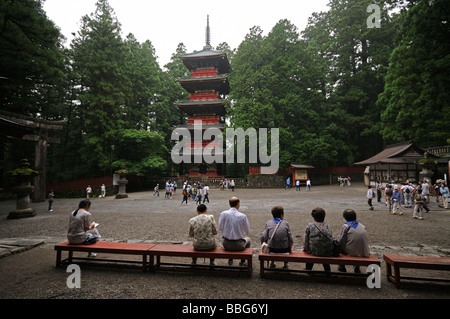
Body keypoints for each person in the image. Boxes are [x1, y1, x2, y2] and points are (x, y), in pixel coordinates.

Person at [219, 197, 251, 266]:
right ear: (238, 204)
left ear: (229, 204)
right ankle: (242, 260)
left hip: (226, 244)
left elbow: (220, 227)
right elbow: (247, 230)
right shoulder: (242, 216)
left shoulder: (223, 214)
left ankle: (230, 259)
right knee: (248, 239)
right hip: (238, 245)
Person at [303, 207, 333, 271]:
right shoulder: (328, 226)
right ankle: (327, 269)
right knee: (323, 247)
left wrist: (305, 248)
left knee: (312, 251)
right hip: (327, 251)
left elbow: (306, 240)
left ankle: (308, 269)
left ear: (314, 217)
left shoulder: (310, 226)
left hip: (314, 251)